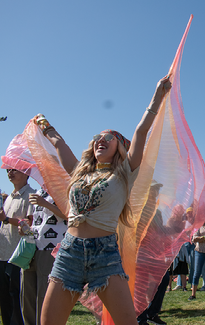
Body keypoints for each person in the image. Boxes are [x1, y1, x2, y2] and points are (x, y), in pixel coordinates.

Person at [38, 75, 172, 325]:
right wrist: (45, 125)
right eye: (97, 137)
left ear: (120, 147)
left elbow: (142, 131)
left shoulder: (125, 172)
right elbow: (59, 144)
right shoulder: (80, 171)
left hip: (105, 254)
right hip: (70, 252)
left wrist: (157, 96)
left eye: (109, 137)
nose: (101, 140)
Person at [23, 189, 66, 325]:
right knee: (27, 293)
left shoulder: (63, 187)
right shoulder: (38, 191)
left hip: (51, 248)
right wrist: (25, 226)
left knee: (44, 294)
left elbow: (69, 215)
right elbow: (36, 220)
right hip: (32, 247)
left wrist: (45, 204)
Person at [0, 168, 36, 325]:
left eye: (15, 170)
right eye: (8, 170)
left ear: (27, 173)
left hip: (18, 256)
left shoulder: (32, 195)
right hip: (3, 254)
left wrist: (7, 219)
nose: (10, 173)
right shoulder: (8, 197)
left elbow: (31, 223)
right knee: (4, 299)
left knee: (16, 298)